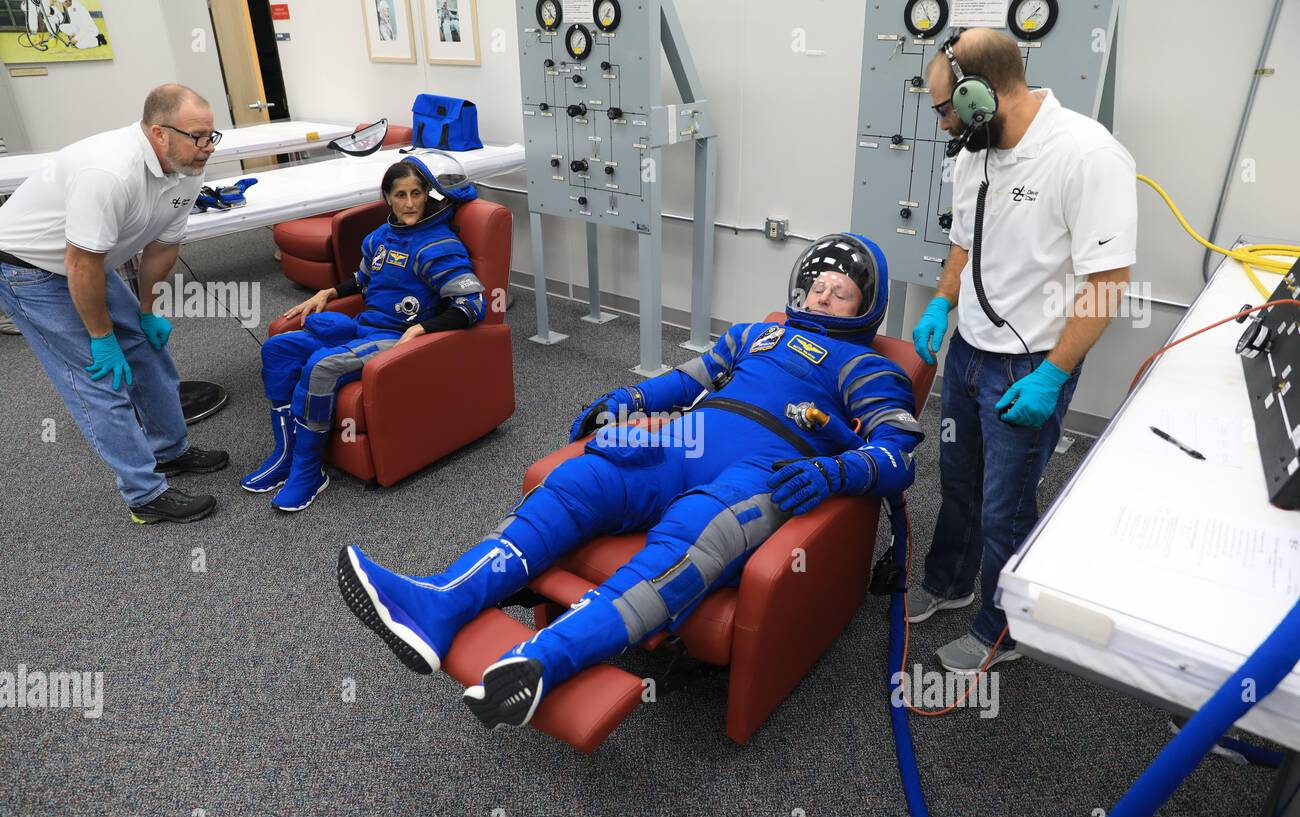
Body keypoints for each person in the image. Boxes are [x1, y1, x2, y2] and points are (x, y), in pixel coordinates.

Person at [337, 233, 925, 730]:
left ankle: (543, 663)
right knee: (584, 479)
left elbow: (899, 458)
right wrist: (626, 400)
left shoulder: (870, 368)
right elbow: (683, 379)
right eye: (817, 286)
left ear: (865, 308)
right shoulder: (754, 335)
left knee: (691, 538)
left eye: (840, 293)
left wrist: (834, 470)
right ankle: (438, 602)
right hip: (686, 440)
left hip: (765, 471)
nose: (823, 296)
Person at [911, 28, 1136, 673]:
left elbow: (1107, 284)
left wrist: (1052, 376)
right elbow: (964, 241)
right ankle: (950, 583)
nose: (941, 120)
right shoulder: (973, 152)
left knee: (1005, 503)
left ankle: (1000, 629)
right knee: (956, 483)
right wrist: (942, 302)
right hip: (968, 354)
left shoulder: (1088, 155)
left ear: (981, 93)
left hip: (1029, 367)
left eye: (944, 106)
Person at [0, 84, 229, 525]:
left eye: (211, 136)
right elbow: (79, 266)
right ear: (158, 133)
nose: (207, 148)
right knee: (98, 374)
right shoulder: (108, 172)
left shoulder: (187, 167)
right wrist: (102, 337)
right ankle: (143, 495)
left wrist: (147, 310)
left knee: (146, 347)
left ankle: (169, 450)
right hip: (27, 266)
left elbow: (163, 246)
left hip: (89, 260)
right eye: (197, 136)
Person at [240, 155, 485, 511]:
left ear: (428, 194)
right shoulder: (378, 238)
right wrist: (329, 292)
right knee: (279, 348)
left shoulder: (438, 245)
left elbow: (472, 304)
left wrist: (421, 328)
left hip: (395, 339)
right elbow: (365, 279)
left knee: (322, 366)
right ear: (387, 197)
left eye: (417, 193)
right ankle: (285, 456)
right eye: (400, 195)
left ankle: (308, 473)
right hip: (364, 328)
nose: (410, 203)